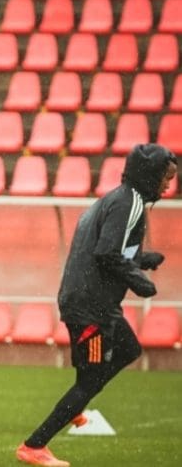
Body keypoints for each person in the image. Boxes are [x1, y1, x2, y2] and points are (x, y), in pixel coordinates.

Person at [16, 144, 177, 467]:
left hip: (92, 302)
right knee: (90, 380)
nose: (168, 185)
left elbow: (108, 251)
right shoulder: (129, 202)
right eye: (166, 177)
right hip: (91, 306)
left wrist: (143, 260)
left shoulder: (118, 199)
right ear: (150, 175)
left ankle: (76, 405)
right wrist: (138, 280)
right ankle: (34, 446)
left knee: (129, 348)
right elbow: (106, 253)